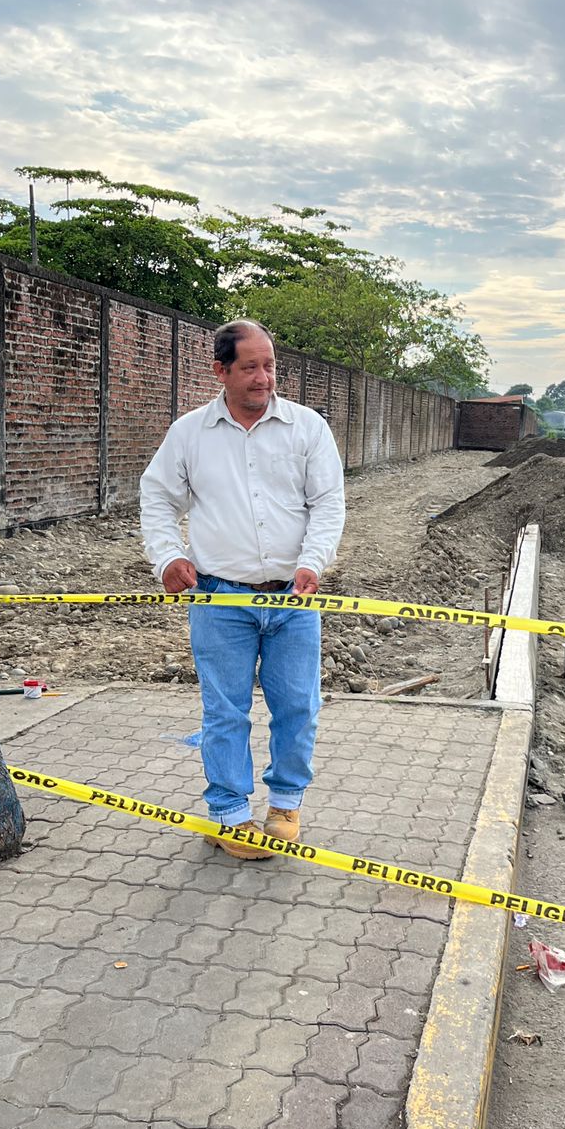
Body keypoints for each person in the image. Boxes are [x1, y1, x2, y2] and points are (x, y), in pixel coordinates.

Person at [139, 320, 346, 859]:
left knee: (298, 706)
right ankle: (230, 814)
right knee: (225, 711)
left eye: (270, 366)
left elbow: (328, 503)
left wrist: (312, 562)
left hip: (293, 598)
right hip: (219, 598)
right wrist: (168, 557)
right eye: (250, 367)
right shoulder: (189, 434)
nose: (263, 378)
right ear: (221, 370)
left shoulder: (307, 428)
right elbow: (157, 497)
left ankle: (285, 805)